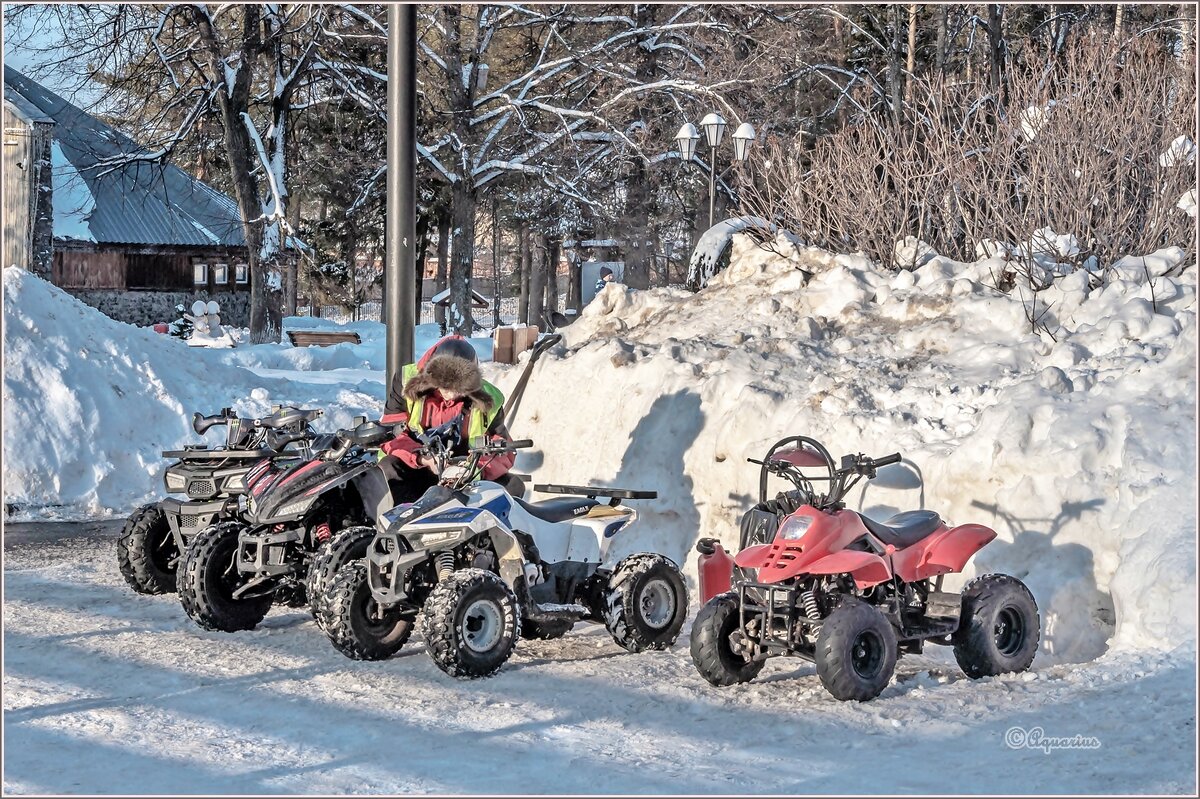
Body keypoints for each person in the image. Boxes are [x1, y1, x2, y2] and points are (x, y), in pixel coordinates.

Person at [359, 336, 516, 525]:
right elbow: (391, 435)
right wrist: (421, 458)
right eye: (444, 387)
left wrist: (473, 470)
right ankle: (389, 530)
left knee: (507, 489)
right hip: (415, 465)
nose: (450, 394)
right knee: (387, 469)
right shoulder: (405, 383)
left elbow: (505, 451)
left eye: (459, 389)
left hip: (461, 476)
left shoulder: (489, 400)